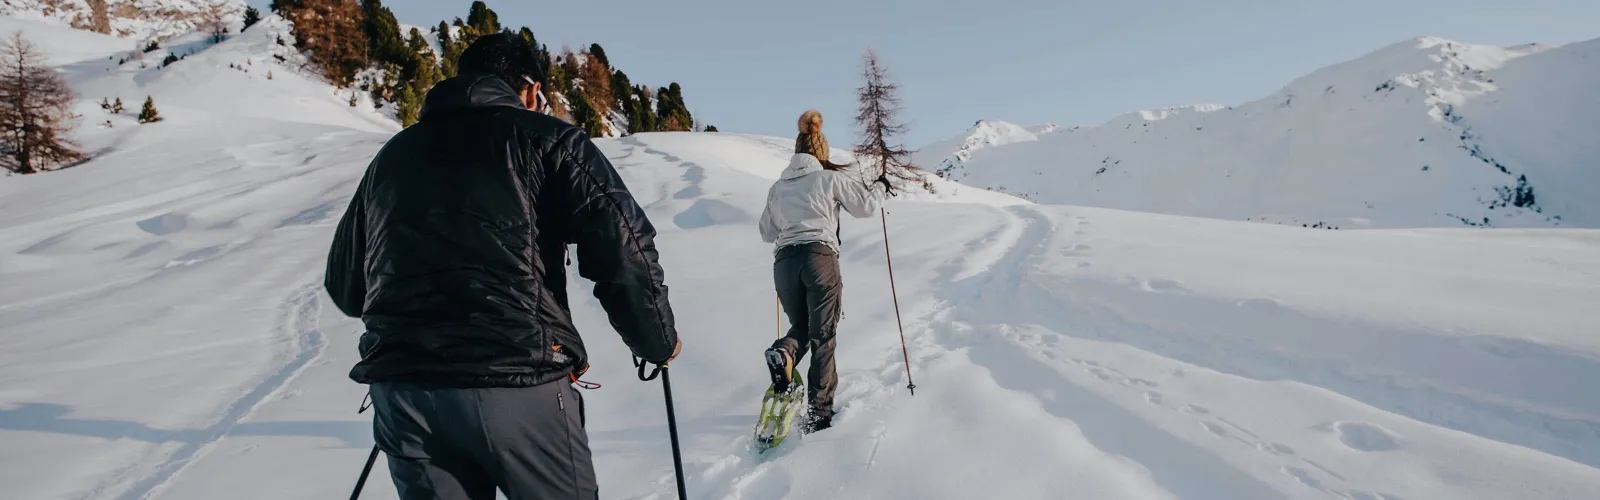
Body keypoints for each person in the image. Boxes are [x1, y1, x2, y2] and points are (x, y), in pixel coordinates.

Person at [324, 33, 680, 500]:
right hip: (515, 378)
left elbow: (347, 286)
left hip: (406, 391)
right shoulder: (546, 139)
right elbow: (622, 246)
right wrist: (656, 340)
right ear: (530, 89)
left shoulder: (391, 158)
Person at [758, 109, 892, 433]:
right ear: (821, 153)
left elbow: (766, 230)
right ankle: (819, 413)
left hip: (785, 264)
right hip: (820, 257)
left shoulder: (778, 187)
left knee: (801, 326)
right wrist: (880, 189)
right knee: (823, 335)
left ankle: (784, 352)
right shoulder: (828, 179)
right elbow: (866, 206)